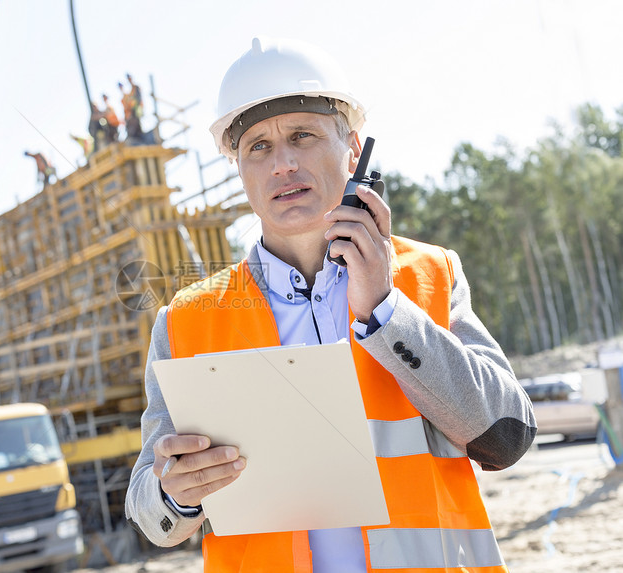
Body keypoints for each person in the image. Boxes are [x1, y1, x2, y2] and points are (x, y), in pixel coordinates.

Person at [125, 37, 536, 573]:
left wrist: (386, 311)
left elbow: (506, 437)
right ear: (240, 169)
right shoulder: (185, 322)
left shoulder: (428, 275)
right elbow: (147, 513)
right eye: (259, 148)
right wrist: (176, 493)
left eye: (303, 135)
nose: (283, 163)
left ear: (354, 148)